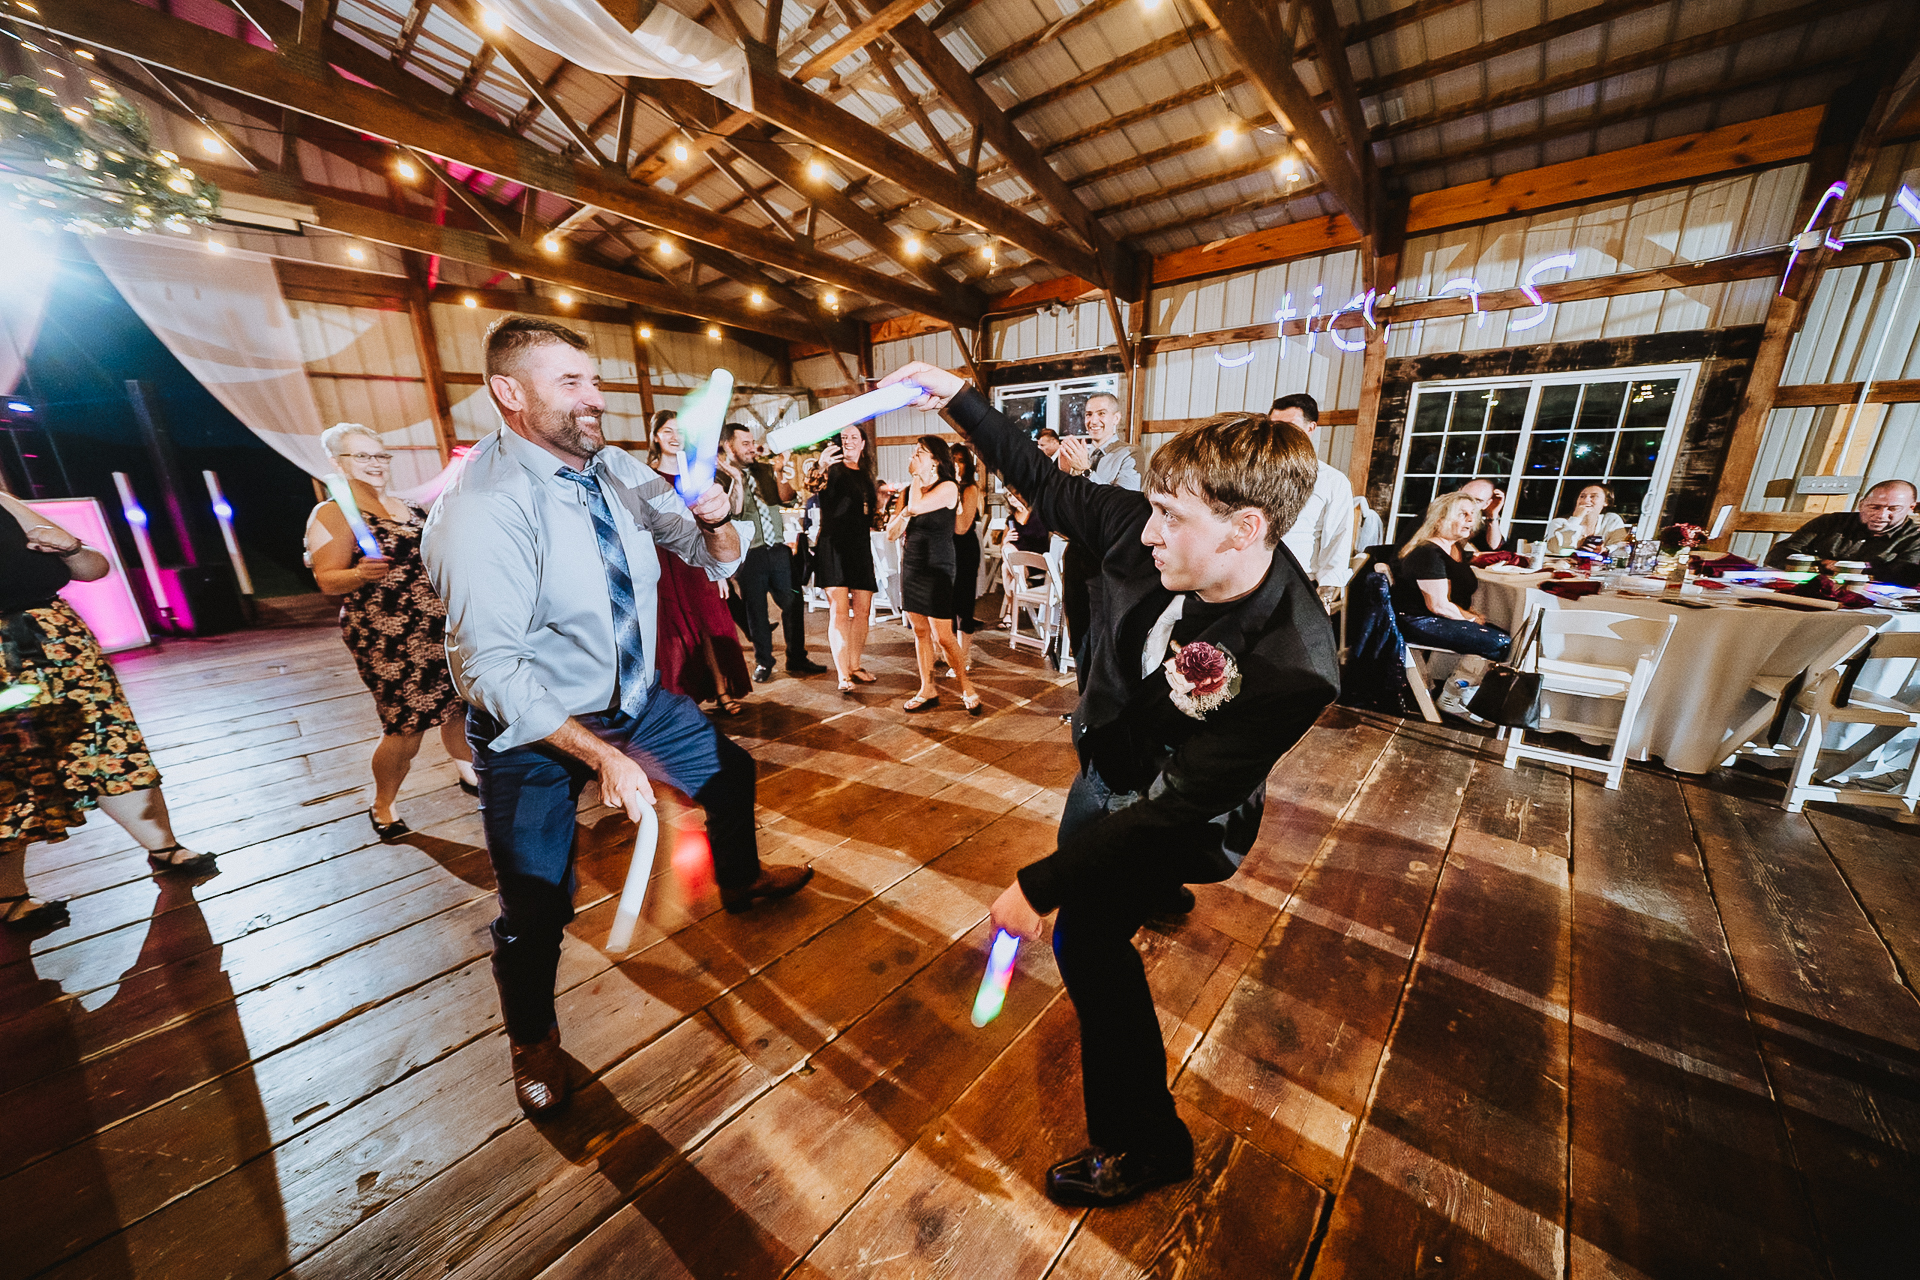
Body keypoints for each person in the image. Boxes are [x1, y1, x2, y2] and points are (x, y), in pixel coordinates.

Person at [880, 360, 1338, 1211]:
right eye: (1154, 509)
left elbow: (1179, 807)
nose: (1149, 532)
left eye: (1172, 516)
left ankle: (1148, 1143)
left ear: (1244, 529)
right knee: (1112, 854)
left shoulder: (1292, 662)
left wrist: (1040, 885)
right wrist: (959, 400)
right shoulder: (1142, 530)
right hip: (1110, 755)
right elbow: (1047, 487)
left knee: (1085, 942)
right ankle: (1147, 892)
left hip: (1177, 805)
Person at [422, 316, 812, 1119]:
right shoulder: (480, 509)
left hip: (634, 702)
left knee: (729, 774)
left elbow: (713, 557)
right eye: (571, 383)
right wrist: (600, 757)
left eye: (592, 378)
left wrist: (710, 516)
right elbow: (488, 671)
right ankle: (532, 1038)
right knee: (535, 905)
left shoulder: (620, 471)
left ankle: (736, 882)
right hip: (534, 728)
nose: (596, 396)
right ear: (510, 393)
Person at [2, 491, 214, 931]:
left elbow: (93, 568)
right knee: (14, 773)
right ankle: (8, 895)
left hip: (61, 645)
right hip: (5, 665)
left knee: (109, 744)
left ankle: (163, 847)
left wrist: (70, 547)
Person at [305, 423, 478, 842]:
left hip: (439, 628)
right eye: (361, 456)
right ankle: (382, 803)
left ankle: (474, 776)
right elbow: (328, 579)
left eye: (380, 455)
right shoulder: (333, 512)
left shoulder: (406, 507)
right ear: (337, 464)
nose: (375, 464)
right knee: (405, 728)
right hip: (386, 637)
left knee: (459, 710)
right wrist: (359, 573)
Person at [647, 410, 753, 715]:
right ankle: (683, 701)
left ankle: (722, 692)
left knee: (712, 626)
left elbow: (719, 519)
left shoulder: (695, 475)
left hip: (696, 561)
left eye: (679, 431)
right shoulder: (645, 476)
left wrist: (717, 569)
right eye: (667, 431)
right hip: (664, 563)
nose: (674, 437)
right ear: (656, 436)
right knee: (675, 632)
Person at [718, 423, 825, 683]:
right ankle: (764, 662)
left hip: (777, 549)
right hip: (750, 553)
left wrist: (780, 473)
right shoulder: (719, 477)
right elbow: (733, 513)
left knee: (793, 601)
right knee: (756, 609)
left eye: (752, 442)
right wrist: (736, 478)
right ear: (727, 446)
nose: (752, 447)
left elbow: (786, 498)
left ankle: (796, 657)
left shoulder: (765, 470)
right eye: (745, 443)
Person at [886, 435, 983, 715]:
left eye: (920, 452)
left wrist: (915, 484)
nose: (913, 457)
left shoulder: (949, 488)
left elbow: (916, 508)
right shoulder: (910, 490)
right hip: (913, 565)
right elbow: (892, 533)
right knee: (919, 630)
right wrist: (903, 512)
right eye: (914, 452)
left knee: (943, 635)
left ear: (936, 460)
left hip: (939, 567)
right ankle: (927, 688)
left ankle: (966, 686)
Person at [1396, 492, 1512, 717]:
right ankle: (1454, 695)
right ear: (1440, 520)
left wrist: (1468, 614)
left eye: (1473, 514)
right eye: (1463, 514)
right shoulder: (1427, 552)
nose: (1471, 519)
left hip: (1434, 617)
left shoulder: (1455, 547)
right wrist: (1469, 617)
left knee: (1505, 637)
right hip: (1419, 621)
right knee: (1499, 643)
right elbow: (1438, 605)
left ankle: (1459, 691)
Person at [1055, 393, 1140, 680]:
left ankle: (1101, 710)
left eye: (1101, 414)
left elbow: (1121, 506)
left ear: (1116, 418)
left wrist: (1085, 471)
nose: (1093, 421)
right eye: (1089, 414)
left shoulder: (1131, 455)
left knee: (1101, 635)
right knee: (1078, 631)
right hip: (1076, 552)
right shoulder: (1082, 454)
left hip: (1106, 556)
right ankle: (1084, 708)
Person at [811, 423, 881, 696]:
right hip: (834, 545)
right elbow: (812, 486)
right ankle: (842, 673)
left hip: (860, 547)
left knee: (863, 609)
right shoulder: (830, 468)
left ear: (863, 443)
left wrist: (883, 505)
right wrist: (820, 465)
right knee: (839, 612)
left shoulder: (866, 475)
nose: (849, 441)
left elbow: (870, 517)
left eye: (854, 437)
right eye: (844, 437)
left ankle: (854, 665)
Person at [1268, 394, 1356, 603]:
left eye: (1289, 425)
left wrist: (1324, 597)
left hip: (1298, 580)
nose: (1280, 433)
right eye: (1274, 425)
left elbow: (1338, 538)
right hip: (1247, 577)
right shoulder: (1251, 472)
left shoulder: (1332, 480)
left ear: (1311, 427)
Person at [1766, 479, 1920, 585]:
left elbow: (1904, 576)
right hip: (1807, 591)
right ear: (1861, 504)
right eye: (1874, 507)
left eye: (1893, 509)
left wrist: (1848, 569)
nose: (1881, 515)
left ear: (1911, 508)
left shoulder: (1915, 539)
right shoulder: (1830, 522)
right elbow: (1779, 553)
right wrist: (1820, 564)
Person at [948, 443, 986, 674]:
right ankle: (951, 653)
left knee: (963, 605)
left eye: (960, 460)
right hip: (945, 550)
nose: (955, 464)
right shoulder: (941, 487)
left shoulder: (969, 489)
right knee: (947, 605)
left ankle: (965, 656)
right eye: (951, 459)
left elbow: (961, 526)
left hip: (964, 550)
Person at [1543, 483, 1629, 555]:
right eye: (1582, 496)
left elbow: (1621, 546)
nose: (1586, 500)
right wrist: (1576, 518)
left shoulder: (1611, 520)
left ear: (1606, 502)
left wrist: (1605, 550)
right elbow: (1557, 550)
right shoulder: (1558, 523)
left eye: (1593, 496)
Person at [1459, 478, 1507, 553]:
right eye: (1466, 497)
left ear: (1486, 504)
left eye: (1477, 501)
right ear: (1458, 492)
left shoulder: (1477, 524)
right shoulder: (1440, 515)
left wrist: (1493, 514)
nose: (1470, 503)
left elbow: (1494, 547)